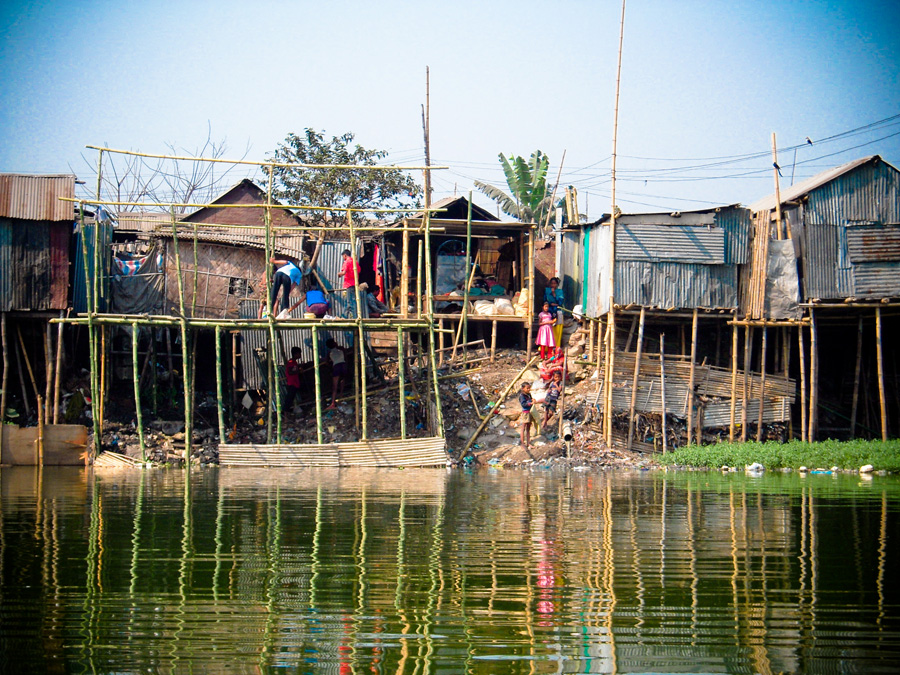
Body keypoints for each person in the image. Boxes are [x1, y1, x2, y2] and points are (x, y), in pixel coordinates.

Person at [326, 338, 346, 410]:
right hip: (343, 365)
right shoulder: (341, 348)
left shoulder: (329, 353)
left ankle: (333, 403)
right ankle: (341, 396)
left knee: (335, 386)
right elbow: (345, 356)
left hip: (336, 366)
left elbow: (327, 362)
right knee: (342, 381)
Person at [284, 346, 302, 413]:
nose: (300, 355)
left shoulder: (294, 362)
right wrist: (298, 371)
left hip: (295, 383)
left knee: (290, 399)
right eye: (299, 353)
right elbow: (290, 372)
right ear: (295, 354)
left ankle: (287, 415)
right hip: (292, 383)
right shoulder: (291, 362)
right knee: (289, 400)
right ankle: (285, 416)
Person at [518, 381, 534, 449]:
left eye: (529, 388)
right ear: (523, 388)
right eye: (527, 388)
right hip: (525, 413)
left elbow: (530, 400)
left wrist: (533, 400)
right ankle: (522, 443)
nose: (529, 389)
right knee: (523, 428)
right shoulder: (522, 396)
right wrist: (530, 403)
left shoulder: (529, 394)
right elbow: (523, 404)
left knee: (528, 428)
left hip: (530, 412)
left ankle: (528, 443)